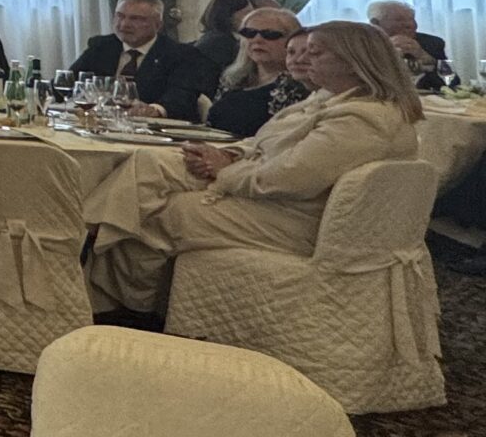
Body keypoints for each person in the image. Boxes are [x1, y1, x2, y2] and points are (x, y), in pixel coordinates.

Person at [89, 20, 425, 317]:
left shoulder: (361, 119)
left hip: (297, 219)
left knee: (154, 213)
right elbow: (265, 141)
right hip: (275, 196)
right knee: (149, 163)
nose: (304, 59)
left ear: (354, 63)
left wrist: (223, 172)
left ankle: (127, 307)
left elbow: (289, 178)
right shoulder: (327, 99)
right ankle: (89, 234)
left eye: (316, 53)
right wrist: (230, 154)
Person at [65, 0, 213, 122]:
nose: (124, 24)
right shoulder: (101, 47)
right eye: (120, 16)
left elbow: (182, 97)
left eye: (136, 19)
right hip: (101, 125)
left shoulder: (181, 54)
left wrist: (155, 110)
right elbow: (68, 83)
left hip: (155, 131)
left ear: (158, 24)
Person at [206, 9, 307, 140]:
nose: (257, 40)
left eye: (270, 35)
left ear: (292, 42)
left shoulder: (297, 85)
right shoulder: (232, 79)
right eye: (249, 33)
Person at [368, 0, 460, 91]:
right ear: (375, 23)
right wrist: (386, 55)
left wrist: (426, 58)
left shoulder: (432, 43)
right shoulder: (363, 44)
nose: (410, 25)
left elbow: (453, 83)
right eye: (399, 20)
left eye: (412, 19)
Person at [192, 0, 250, 78]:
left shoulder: (215, 37)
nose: (252, 18)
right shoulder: (219, 43)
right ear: (229, 15)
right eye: (247, 13)